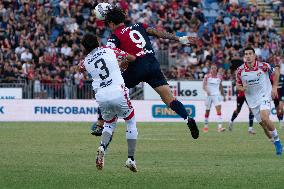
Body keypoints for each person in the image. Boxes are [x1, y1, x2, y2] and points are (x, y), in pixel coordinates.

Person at [92, 7, 199, 139]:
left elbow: (110, 55)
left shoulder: (114, 37)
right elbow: (158, 33)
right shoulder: (139, 26)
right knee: (169, 98)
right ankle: (187, 118)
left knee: (109, 88)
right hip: (152, 64)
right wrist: (180, 39)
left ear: (112, 24)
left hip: (136, 67)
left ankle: (100, 124)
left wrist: (121, 63)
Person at [80, 33, 138, 172]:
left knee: (109, 123)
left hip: (101, 96)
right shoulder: (109, 50)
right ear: (97, 41)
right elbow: (131, 58)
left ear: (85, 48)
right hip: (117, 91)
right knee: (130, 121)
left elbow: (79, 68)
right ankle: (130, 159)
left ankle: (102, 147)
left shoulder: (86, 61)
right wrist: (118, 65)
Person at [236, 46, 282, 155]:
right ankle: (274, 142)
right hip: (252, 101)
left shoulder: (263, 66)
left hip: (264, 95)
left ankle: (278, 141)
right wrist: (243, 88)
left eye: (250, 54)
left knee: (265, 117)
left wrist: (274, 87)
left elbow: (276, 71)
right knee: (264, 126)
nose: (248, 56)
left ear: (254, 55)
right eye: (246, 54)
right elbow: (237, 85)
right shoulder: (240, 70)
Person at [202, 63, 226, 132]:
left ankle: (220, 127)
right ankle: (206, 126)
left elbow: (220, 86)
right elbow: (203, 86)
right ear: (210, 69)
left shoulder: (219, 77)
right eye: (212, 68)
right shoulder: (207, 76)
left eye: (215, 68)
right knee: (207, 111)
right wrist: (207, 91)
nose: (213, 69)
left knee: (219, 110)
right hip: (208, 96)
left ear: (216, 69)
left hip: (216, 95)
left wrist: (223, 95)